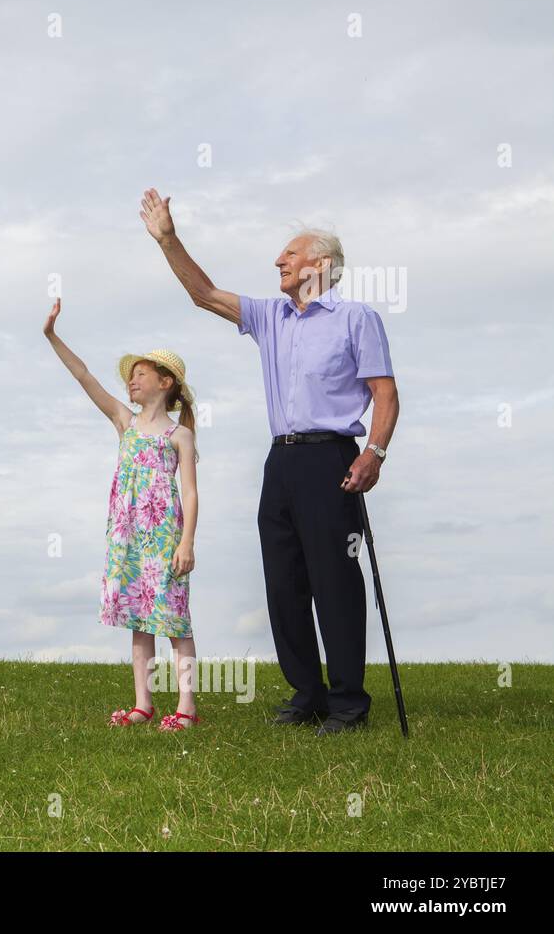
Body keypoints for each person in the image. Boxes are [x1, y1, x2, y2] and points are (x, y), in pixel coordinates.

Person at [139, 187, 400, 737]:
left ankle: (349, 703)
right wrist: (168, 239)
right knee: (283, 583)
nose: (278, 261)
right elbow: (203, 292)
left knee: (335, 581)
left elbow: (385, 393)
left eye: (289, 253)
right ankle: (307, 694)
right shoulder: (270, 315)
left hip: (333, 460)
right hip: (279, 464)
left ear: (320, 265)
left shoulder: (356, 318)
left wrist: (374, 453)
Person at [43, 297, 202, 732]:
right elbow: (83, 375)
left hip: (165, 536)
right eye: (131, 376)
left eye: (141, 374)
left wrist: (186, 542)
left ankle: (186, 708)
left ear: (165, 382)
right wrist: (52, 335)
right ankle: (143, 704)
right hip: (128, 537)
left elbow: (189, 492)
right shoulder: (124, 422)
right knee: (138, 621)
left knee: (174, 621)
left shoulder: (179, 435)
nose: (132, 381)